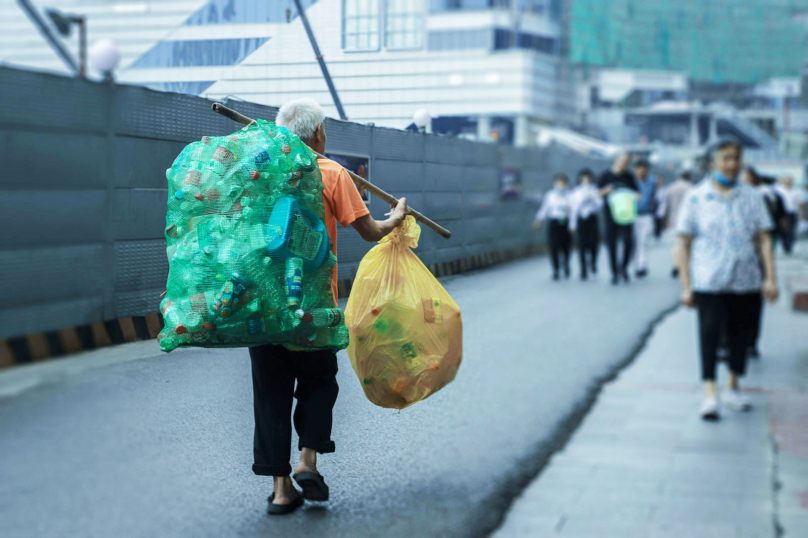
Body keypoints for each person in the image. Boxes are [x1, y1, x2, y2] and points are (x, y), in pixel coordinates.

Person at [250, 98, 410, 515]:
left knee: (271, 393)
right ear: (318, 133)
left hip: (265, 306)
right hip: (314, 305)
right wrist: (395, 218)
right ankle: (307, 460)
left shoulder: (259, 175)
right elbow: (371, 231)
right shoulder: (331, 173)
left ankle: (282, 490)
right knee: (319, 382)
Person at [675, 140, 778, 421]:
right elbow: (683, 243)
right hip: (709, 279)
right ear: (712, 163)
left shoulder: (753, 197)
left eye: (736, 158)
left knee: (740, 335)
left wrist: (770, 278)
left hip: (746, 279)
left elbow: (764, 239)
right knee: (709, 334)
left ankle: (733, 384)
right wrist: (685, 286)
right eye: (725, 158)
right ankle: (710, 391)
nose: (732, 164)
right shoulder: (696, 198)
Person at [598, 153, 639, 285]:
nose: (623, 163)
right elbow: (597, 193)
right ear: (616, 160)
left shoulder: (629, 176)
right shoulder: (605, 175)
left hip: (626, 214)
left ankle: (624, 267)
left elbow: (637, 192)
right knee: (611, 243)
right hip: (610, 214)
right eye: (621, 161)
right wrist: (607, 190)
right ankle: (614, 272)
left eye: (626, 161)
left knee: (628, 241)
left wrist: (636, 196)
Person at [534, 174, 572, 280]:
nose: (560, 185)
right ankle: (556, 269)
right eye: (558, 183)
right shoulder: (550, 195)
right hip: (554, 223)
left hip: (565, 222)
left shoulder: (570, 195)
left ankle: (566, 264)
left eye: (563, 183)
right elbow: (544, 209)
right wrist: (538, 220)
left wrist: (573, 225)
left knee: (566, 247)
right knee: (553, 246)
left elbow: (573, 211)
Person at [569, 169, 602, 280]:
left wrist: (592, 198)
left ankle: (593, 263)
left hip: (592, 219)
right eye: (584, 178)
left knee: (594, 244)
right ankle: (583, 269)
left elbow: (599, 205)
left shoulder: (595, 190)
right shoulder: (575, 192)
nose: (586, 181)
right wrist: (572, 225)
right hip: (581, 220)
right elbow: (573, 210)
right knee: (582, 245)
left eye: (588, 178)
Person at [665, 171, 693, 278]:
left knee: (675, 245)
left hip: (673, 220)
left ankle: (676, 264)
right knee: (685, 245)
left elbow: (666, 206)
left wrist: (665, 220)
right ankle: (684, 265)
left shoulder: (671, 188)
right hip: (686, 221)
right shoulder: (691, 188)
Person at [632, 159, 656, 278]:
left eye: (644, 169)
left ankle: (642, 265)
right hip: (634, 215)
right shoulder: (632, 182)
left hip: (647, 214)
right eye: (639, 169)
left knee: (644, 241)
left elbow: (653, 198)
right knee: (636, 242)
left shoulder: (652, 182)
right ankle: (637, 265)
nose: (642, 171)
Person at [775, 176, 802, 254]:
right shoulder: (779, 190)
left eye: (789, 181)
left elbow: (800, 203)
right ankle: (785, 244)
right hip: (782, 213)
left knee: (791, 230)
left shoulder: (796, 191)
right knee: (783, 230)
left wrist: (801, 214)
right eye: (786, 181)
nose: (788, 183)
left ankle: (789, 244)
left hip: (792, 212)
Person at [653, 176, 667, 240]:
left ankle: (658, 235)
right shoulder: (653, 189)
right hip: (653, 210)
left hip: (660, 209)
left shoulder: (664, 190)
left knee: (659, 223)